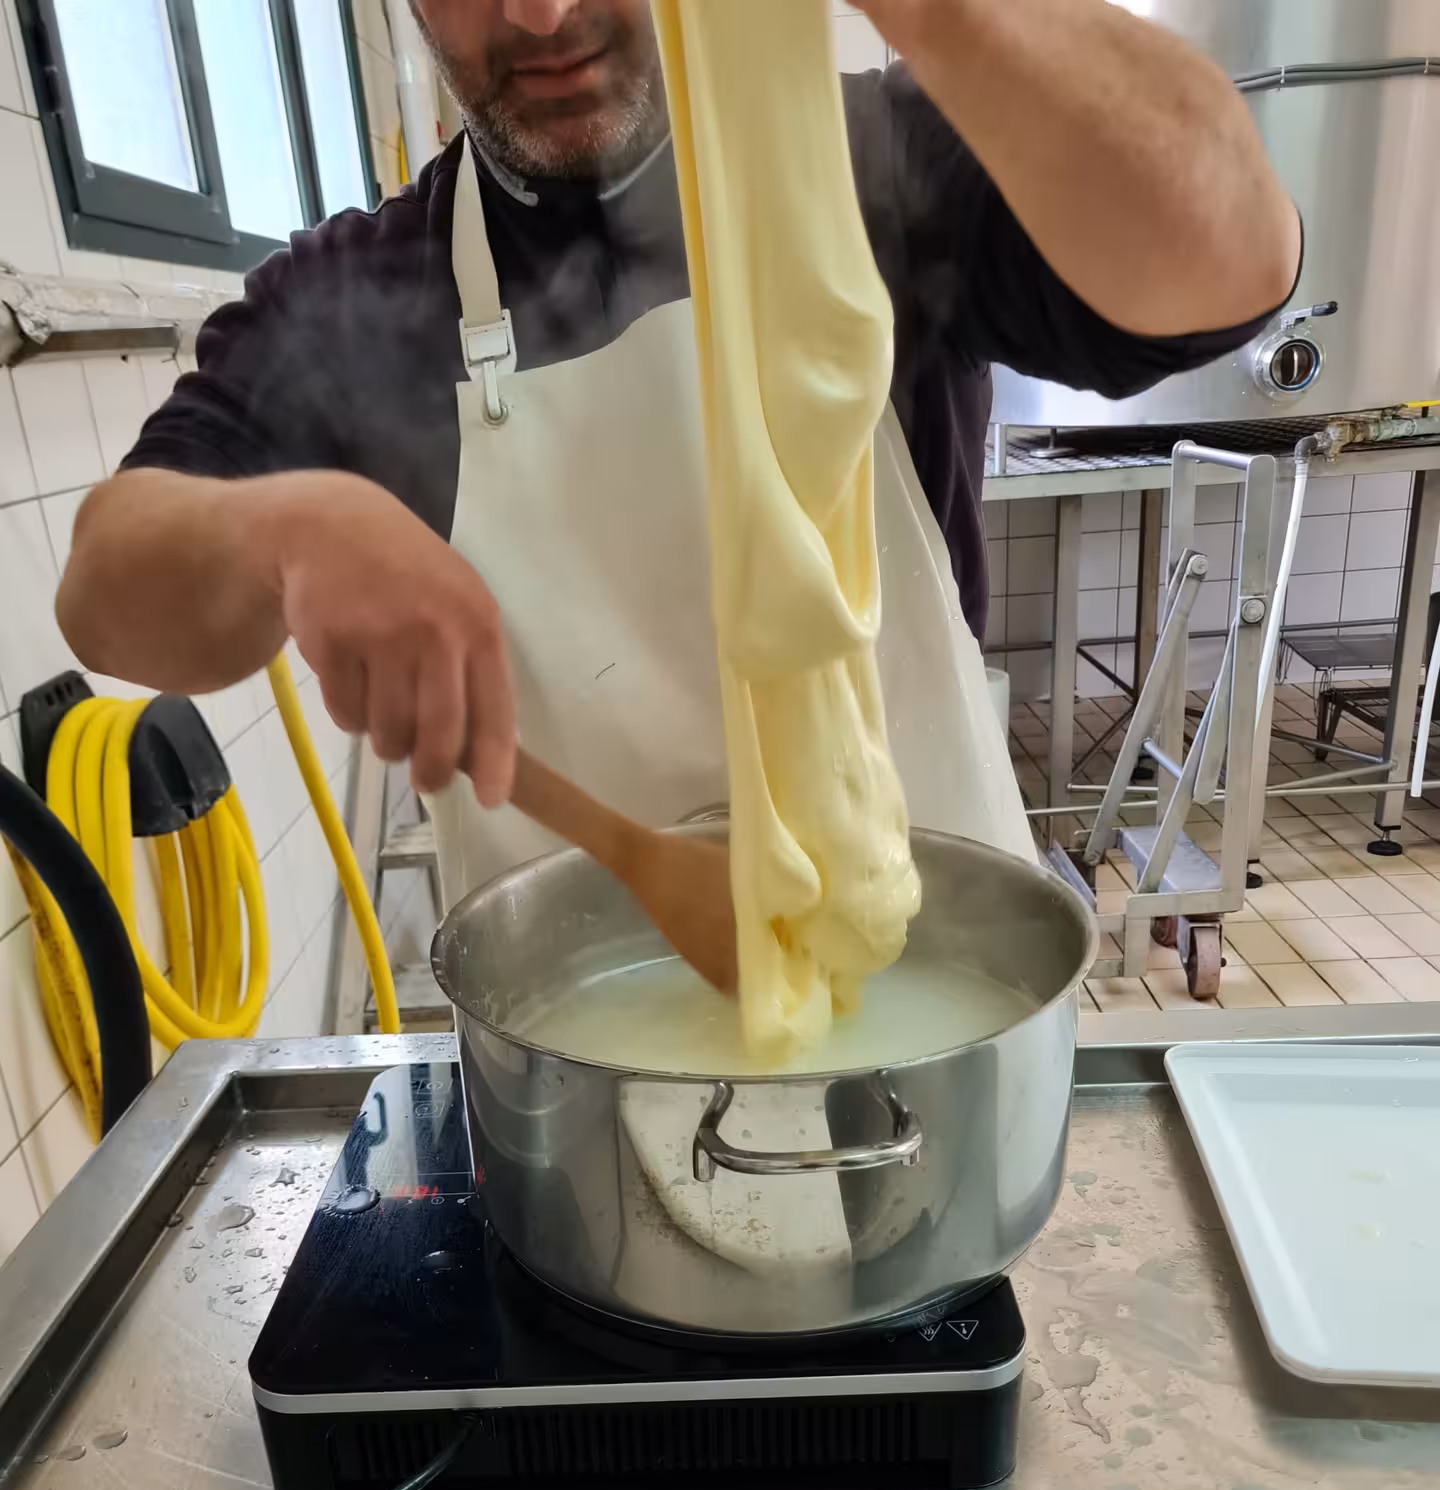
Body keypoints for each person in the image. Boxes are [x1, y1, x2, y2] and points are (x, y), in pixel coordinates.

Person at [56, 0, 1299, 895]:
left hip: (934, 1010)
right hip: (574, 1079)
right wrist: (276, 531)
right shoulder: (354, 301)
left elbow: (1232, 255)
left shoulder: (879, 171)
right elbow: (106, 591)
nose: (538, 14)